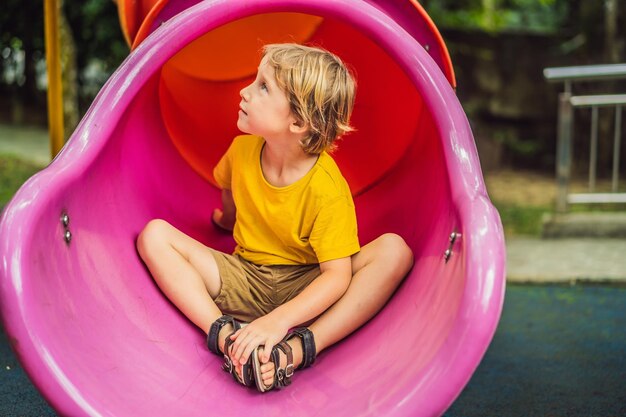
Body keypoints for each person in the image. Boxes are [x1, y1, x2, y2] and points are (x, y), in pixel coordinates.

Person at [136, 43, 414, 392]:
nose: (245, 91)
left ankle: (296, 349)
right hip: (246, 278)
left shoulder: (326, 188)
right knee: (154, 236)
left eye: (263, 87)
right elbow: (231, 194)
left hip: (306, 286)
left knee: (395, 251)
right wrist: (225, 221)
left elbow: (336, 277)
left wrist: (279, 321)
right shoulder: (242, 152)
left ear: (298, 121)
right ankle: (228, 338)